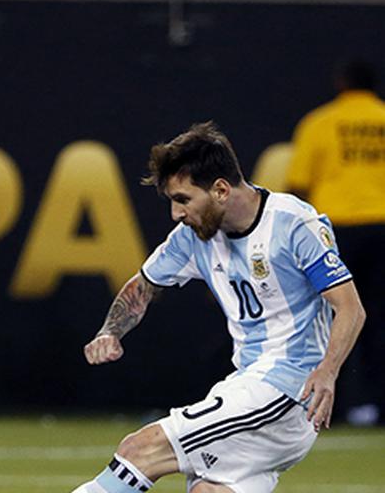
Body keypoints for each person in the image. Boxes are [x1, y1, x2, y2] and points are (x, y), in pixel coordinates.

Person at [73, 122, 365, 493]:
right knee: (208, 491)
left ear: (221, 190)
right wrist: (110, 331)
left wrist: (327, 372)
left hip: (285, 389)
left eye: (183, 199)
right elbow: (142, 286)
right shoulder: (193, 238)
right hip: (252, 385)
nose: (176, 214)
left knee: (140, 449)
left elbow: (351, 308)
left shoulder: (293, 223)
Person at [286, 59, 385, 426]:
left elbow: (298, 183)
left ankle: (335, 406)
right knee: (378, 319)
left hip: (336, 232)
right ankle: (379, 405)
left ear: (342, 83)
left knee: (333, 316)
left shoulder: (321, 122)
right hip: (382, 229)